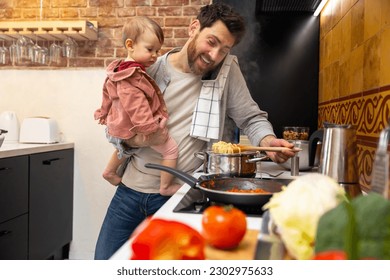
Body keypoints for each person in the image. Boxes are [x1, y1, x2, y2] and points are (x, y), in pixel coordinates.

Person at [94, 3, 296, 260]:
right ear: (193, 28)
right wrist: (139, 138)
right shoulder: (148, 70)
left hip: (178, 194)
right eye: (211, 42)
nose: (214, 55)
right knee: (104, 263)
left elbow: (250, 117)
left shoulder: (226, 71)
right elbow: (115, 128)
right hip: (129, 192)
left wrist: (268, 140)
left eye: (224, 49)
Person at [94, 16, 180, 196]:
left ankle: (109, 172)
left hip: (120, 125)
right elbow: (136, 106)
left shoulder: (118, 70)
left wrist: (104, 112)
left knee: (126, 147)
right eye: (150, 49)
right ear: (130, 45)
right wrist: (150, 129)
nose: (156, 55)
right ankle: (166, 187)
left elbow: (106, 93)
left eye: (157, 50)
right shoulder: (132, 76)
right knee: (171, 149)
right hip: (133, 126)